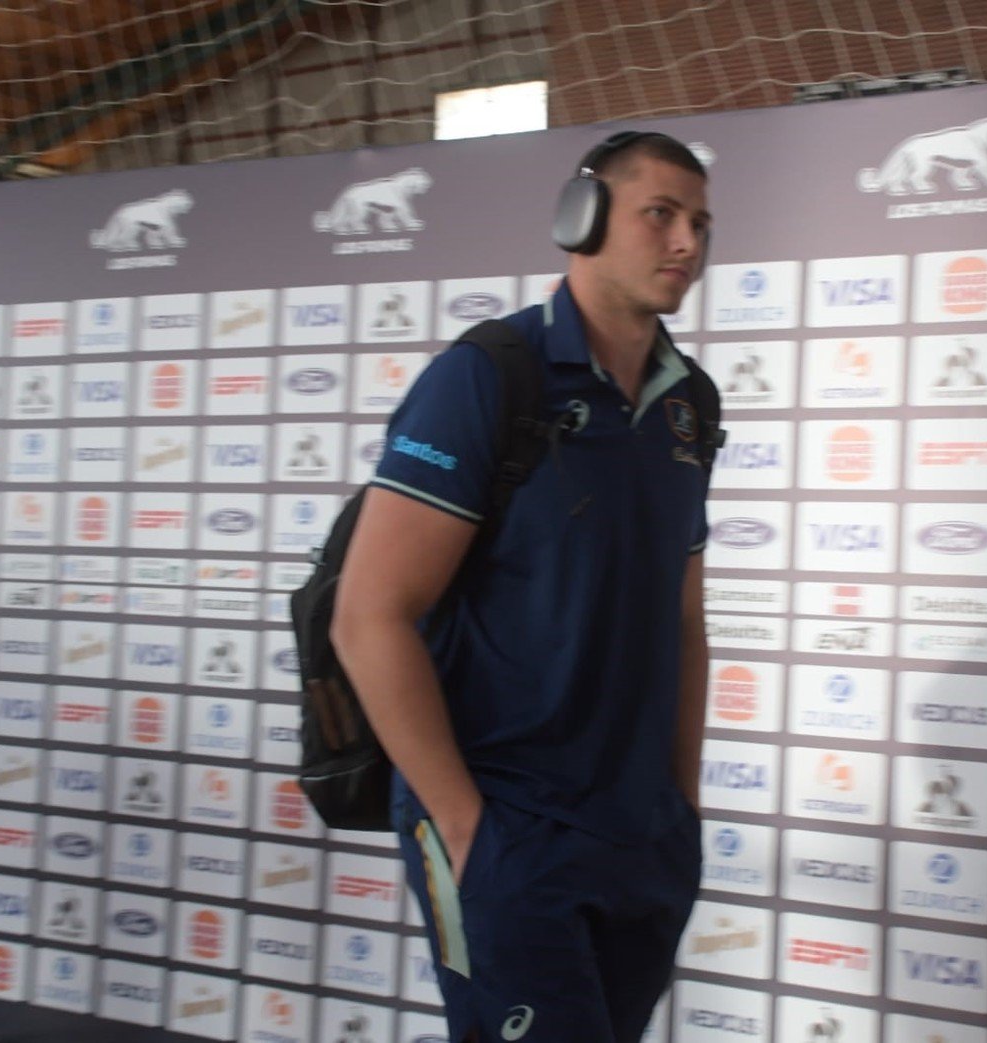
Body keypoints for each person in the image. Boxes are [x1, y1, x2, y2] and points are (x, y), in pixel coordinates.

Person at [331, 131, 714, 1043]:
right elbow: (367, 615)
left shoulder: (690, 402)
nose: (687, 243)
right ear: (579, 219)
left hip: (639, 835)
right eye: (659, 214)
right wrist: (464, 830)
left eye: (700, 222)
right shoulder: (486, 377)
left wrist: (680, 806)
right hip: (506, 825)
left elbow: (685, 619)